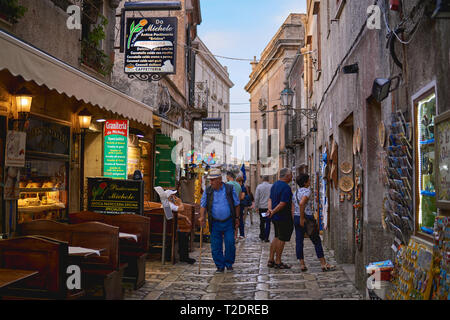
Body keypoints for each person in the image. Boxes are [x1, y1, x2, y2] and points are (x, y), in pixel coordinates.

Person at [199, 168, 240, 273]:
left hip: (228, 221)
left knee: (230, 243)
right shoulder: (208, 191)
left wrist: (237, 218)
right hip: (215, 222)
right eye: (210, 180)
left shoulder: (229, 189)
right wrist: (202, 217)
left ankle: (229, 263)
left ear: (219, 179)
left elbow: (236, 204)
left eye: (213, 180)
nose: (211, 182)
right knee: (215, 246)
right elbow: (203, 204)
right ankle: (220, 266)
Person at [293, 173, 336, 272]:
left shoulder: (295, 192)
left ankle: (302, 264)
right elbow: (302, 203)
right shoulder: (307, 192)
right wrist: (302, 218)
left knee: (299, 241)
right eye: (308, 180)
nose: (310, 182)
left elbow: (293, 206)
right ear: (305, 182)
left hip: (296, 217)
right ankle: (323, 263)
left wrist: (296, 218)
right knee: (316, 241)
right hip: (306, 218)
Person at [267, 168, 294, 269]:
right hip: (283, 217)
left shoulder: (275, 185)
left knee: (276, 237)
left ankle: (271, 259)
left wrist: (270, 210)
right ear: (286, 176)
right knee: (281, 239)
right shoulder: (286, 188)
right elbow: (283, 203)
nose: (292, 177)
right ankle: (278, 261)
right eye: (291, 175)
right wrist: (273, 211)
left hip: (275, 217)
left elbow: (270, 199)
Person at [168, 194, 196, 264]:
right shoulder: (170, 205)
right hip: (170, 230)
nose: (175, 198)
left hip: (166, 229)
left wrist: (185, 217)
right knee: (183, 235)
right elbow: (181, 209)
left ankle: (182, 256)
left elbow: (174, 214)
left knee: (182, 233)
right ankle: (184, 257)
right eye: (173, 196)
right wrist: (180, 202)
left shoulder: (165, 204)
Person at [254, 176, 272, 242]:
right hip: (269, 208)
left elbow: (256, 198)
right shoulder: (271, 186)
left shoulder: (259, 187)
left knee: (262, 222)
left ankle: (262, 235)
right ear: (268, 179)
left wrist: (256, 207)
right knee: (268, 222)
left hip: (262, 207)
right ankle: (266, 237)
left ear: (262, 180)